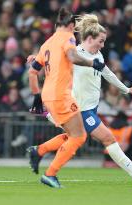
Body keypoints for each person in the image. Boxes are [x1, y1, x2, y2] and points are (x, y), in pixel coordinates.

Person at [27, 14, 132, 187]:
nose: (103, 45)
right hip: (80, 109)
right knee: (108, 139)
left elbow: (108, 73)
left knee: (72, 137)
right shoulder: (75, 53)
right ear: (90, 38)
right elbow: (55, 57)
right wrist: (37, 57)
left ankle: (38, 150)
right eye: (101, 41)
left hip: (90, 108)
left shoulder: (98, 56)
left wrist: (126, 89)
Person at [27, 8, 105, 188]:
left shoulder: (46, 44)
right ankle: (50, 174)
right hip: (61, 95)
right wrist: (93, 62)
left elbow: (32, 72)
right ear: (71, 25)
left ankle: (38, 151)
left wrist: (36, 96)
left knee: (72, 135)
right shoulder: (68, 37)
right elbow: (72, 56)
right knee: (78, 137)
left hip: (48, 94)